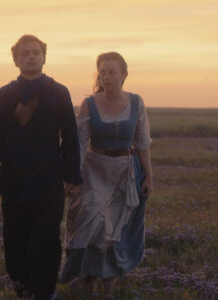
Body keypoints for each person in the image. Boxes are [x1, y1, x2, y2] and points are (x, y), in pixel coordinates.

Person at [0, 34, 82, 300]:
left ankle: (44, 292)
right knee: (15, 240)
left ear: (44, 57)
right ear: (16, 60)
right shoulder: (5, 95)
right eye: (25, 53)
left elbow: (70, 136)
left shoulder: (58, 92)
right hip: (14, 180)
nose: (31, 56)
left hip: (49, 179)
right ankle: (23, 288)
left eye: (36, 52)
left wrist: (72, 174)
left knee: (47, 237)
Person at [60, 52, 153, 298]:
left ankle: (109, 281)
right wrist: (73, 176)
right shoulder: (89, 103)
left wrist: (149, 175)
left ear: (124, 74)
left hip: (125, 170)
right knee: (91, 220)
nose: (107, 76)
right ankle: (89, 278)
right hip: (94, 169)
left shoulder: (136, 102)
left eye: (112, 72)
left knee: (117, 227)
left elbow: (142, 142)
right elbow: (80, 143)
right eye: (103, 72)